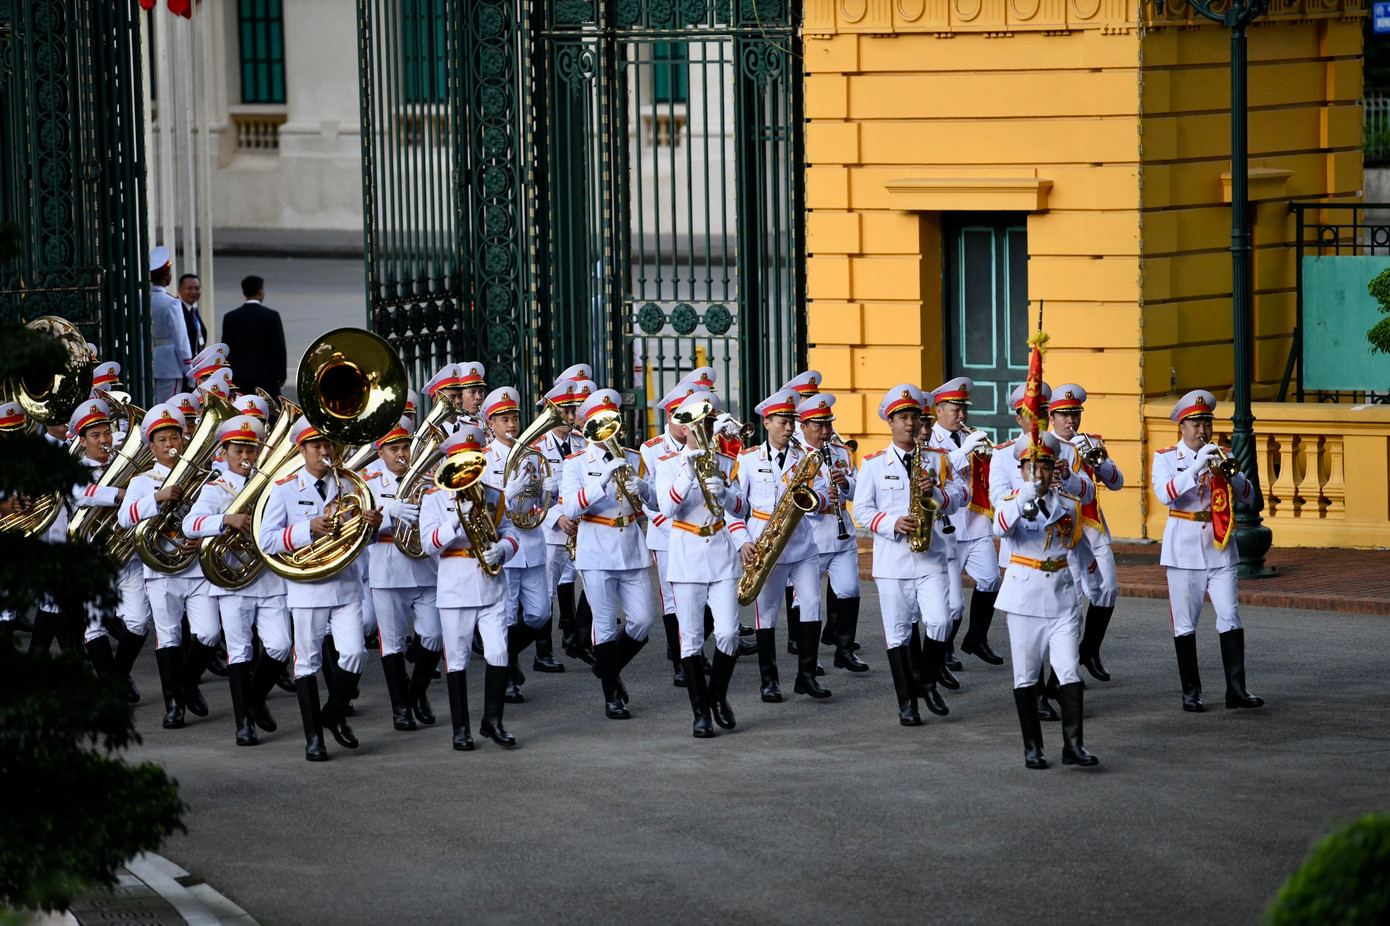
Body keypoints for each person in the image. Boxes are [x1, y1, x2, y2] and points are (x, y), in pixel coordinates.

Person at [257, 417, 384, 761]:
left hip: (345, 585)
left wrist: (372, 527)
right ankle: (314, 736)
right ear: (302, 450)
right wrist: (306, 529)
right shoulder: (284, 488)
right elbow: (267, 541)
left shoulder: (349, 484)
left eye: (328, 445)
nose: (324, 451)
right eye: (317, 446)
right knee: (307, 662)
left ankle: (334, 714)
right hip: (307, 587)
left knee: (356, 653)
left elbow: (360, 538)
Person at [851, 384, 965, 726]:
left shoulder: (937, 459)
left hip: (930, 557)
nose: (911, 424)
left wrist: (941, 496)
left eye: (915, 417)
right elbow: (860, 509)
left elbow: (962, 493)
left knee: (941, 620)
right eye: (903, 418)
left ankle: (927, 682)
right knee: (898, 632)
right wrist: (890, 522)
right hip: (893, 561)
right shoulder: (872, 464)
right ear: (890, 421)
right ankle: (907, 703)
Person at [182, 414, 293, 746]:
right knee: (240, 651)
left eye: (250, 450)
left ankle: (255, 700)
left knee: (280, 646)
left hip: (269, 579)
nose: (246, 457)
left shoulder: (273, 484)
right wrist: (226, 519)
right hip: (232, 582)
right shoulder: (216, 488)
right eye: (238, 451)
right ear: (225, 452)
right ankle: (244, 722)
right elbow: (190, 525)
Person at [1151, 390, 1263, 713]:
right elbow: (1166, 494)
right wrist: (1196, 468)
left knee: (1229, 613)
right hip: (1183, 549)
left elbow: (1248, 496)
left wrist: (1233, 473)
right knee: (1185, 623)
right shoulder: (1166, 458)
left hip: (1219, 548)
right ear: (1182, 426)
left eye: (1207, 423)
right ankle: (1191, 691)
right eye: (1196, 424)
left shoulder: (1221, 454)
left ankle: (1236, 689)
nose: (1202, 430)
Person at [993, 431, 1098, 769]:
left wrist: (1094, 577)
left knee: (1068, 670)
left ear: (1054, 468)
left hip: (1063, 596)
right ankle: (1033, 747)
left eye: (1044, 466)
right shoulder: (1012, 501)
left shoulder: (1068, 503)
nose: (1038, 473)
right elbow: (1001, 528)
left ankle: (1074, 745)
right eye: (1031, 467)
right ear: (1022, 470)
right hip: (1024, 597)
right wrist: (1026, 495)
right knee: (1025, 675)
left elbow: (1078, 543)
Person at [117, 404, 223, 729]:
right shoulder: (141, 481)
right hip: (160, 568)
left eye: (174, 436)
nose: (168, 444)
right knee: (168, 636)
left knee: (209, 633)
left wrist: (204, 540)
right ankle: (174, 705)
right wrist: (157, 498)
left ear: (184, 439)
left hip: (194, 566)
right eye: (161, 439)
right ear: (152, 447)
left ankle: (186, 684)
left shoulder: (203, 478)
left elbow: (215, 515)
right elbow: (124, 518)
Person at [419, 425, 522, 749]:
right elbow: (428, 544)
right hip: (455, 588)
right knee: (458, 658)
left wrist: (503, 549)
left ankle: (493, 721)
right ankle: (460, 729)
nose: (469, 470)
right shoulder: (435, 498)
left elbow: (511, 534)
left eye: (474, 461)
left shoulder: (494, 494)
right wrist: (453, 521)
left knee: (498, 652)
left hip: (491, 587)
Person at [655, 390, 750, 738]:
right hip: (687, 555)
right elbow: (666, 508)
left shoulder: (726, 462)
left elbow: (744, 508)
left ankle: (718, 695)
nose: (703, 430)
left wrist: (725, 493)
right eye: (697, 425)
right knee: (691, 640)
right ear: (684, 428)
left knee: (728, 633)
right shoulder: (668, 465)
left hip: (721, 553)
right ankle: (700, 714)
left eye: (707, 423)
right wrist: (691, 472)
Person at [560, 388, 658, 719]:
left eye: (613, 421)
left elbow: (656, 506)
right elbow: (570, 507)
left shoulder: (631, 457)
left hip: (629, 544)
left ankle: (606, 668)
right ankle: (612, 695)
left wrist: (644, 489)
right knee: (602, 625)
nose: (608, 430)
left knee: (643, 621)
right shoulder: (575, 463)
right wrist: (600, 482)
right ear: (588, 425)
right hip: (596, 547)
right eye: (601, 423)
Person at [735, 388, 832, 702]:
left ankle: (806, 676)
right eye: (782, 421)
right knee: (767, 612)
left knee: (812, 605)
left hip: (801, 541)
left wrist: (815, 502)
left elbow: (823, 496)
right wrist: (742, 542)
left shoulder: (805, 458)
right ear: (766, 422)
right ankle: (769, 680)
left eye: (792, 420)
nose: (789, 427)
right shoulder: (748, 459)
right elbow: (732, 507)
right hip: (765, 541)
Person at [359, 417, 444, 732]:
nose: (401, 454)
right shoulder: (366, 482)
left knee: (434, 635)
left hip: (425, 569)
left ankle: (417, 693)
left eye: (405, 446)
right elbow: (358, 537)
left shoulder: (428, 479)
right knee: (392, 643)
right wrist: (383, 517)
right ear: (380, 452)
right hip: (388, 570)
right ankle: (400, 708)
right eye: (394, 448)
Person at [481, 386, 554, 702]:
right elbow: (484, 510)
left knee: (540, 614)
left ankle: (508, 657)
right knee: (508, 615)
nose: (511, 425)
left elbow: (537, 501)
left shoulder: (530, 456)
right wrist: (506, 495)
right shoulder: (483, 460)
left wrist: (547, 490)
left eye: (514, 418)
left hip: (532, 543)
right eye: (504, 419)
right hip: (504, 546)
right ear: (491, 424)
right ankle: (508, 674)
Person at [1047, 384, 1124, 681]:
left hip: (1092, 527)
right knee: (1072, 605)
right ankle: (1062, 674)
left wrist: (1098, 460)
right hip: (1062, 532)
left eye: (1075, 414)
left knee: (1107, 590)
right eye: (1064, 415)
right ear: (1052, 416)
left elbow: (1117, 482)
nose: (1071, 421)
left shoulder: (1092, 442)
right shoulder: (1044, 445)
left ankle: (1090, 650)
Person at [927, 377, 1003, 671]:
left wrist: (992, 458)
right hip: (947, 529)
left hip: (976, 524)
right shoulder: (930, 439)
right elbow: (938, 470)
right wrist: (966, 451)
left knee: (990, 580)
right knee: (952, 602)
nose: (961, 415)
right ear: (939, 411)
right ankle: (944, 650)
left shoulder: (967, 436)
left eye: (963, 409)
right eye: (954, 409)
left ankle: (976, 637)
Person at [796, 393, 868, 672]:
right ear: (804, 428)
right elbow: (795, 498)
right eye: (818, 426)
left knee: (849, 589)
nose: (825, 432)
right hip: (810, 536)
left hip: (841, 533)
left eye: (828, 425)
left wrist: (845, 483)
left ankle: (845, 650)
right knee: (807, 601)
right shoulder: (795, 455)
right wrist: (824, 496)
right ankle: (808, 659)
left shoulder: (839, 451)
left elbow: (858, 489)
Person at [532, 375, 594, 665]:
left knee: (593, 581)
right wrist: (556, 519)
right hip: (552, 530)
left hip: (583, 526)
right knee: (546, 593)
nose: (570, 417)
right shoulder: (536, 447)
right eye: (564, 412)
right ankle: (543, 652)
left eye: (572, 411)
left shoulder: (582, 442)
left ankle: (579, 639)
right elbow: (531, 497)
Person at [221, 275, 287, 398]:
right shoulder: (271, 316)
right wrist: (282, 375)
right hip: (267, 378)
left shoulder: (230, 317)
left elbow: (226, 350)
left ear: (244, 293)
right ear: (261, 292)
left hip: (240, 378)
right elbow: (279, 349)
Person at [150, 247, 193, 401]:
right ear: (166, 277)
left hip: (145, 359)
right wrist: (189, 368)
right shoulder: (172, 302)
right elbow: (181, 338)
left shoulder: (141, 298)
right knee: (168, 410)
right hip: (168, 363)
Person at [178, 273, 207, 358]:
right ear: (180, 290)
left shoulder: (193, 310)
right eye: (189, 288)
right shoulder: (176, 309)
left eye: (197, 288)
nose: (194, 292)